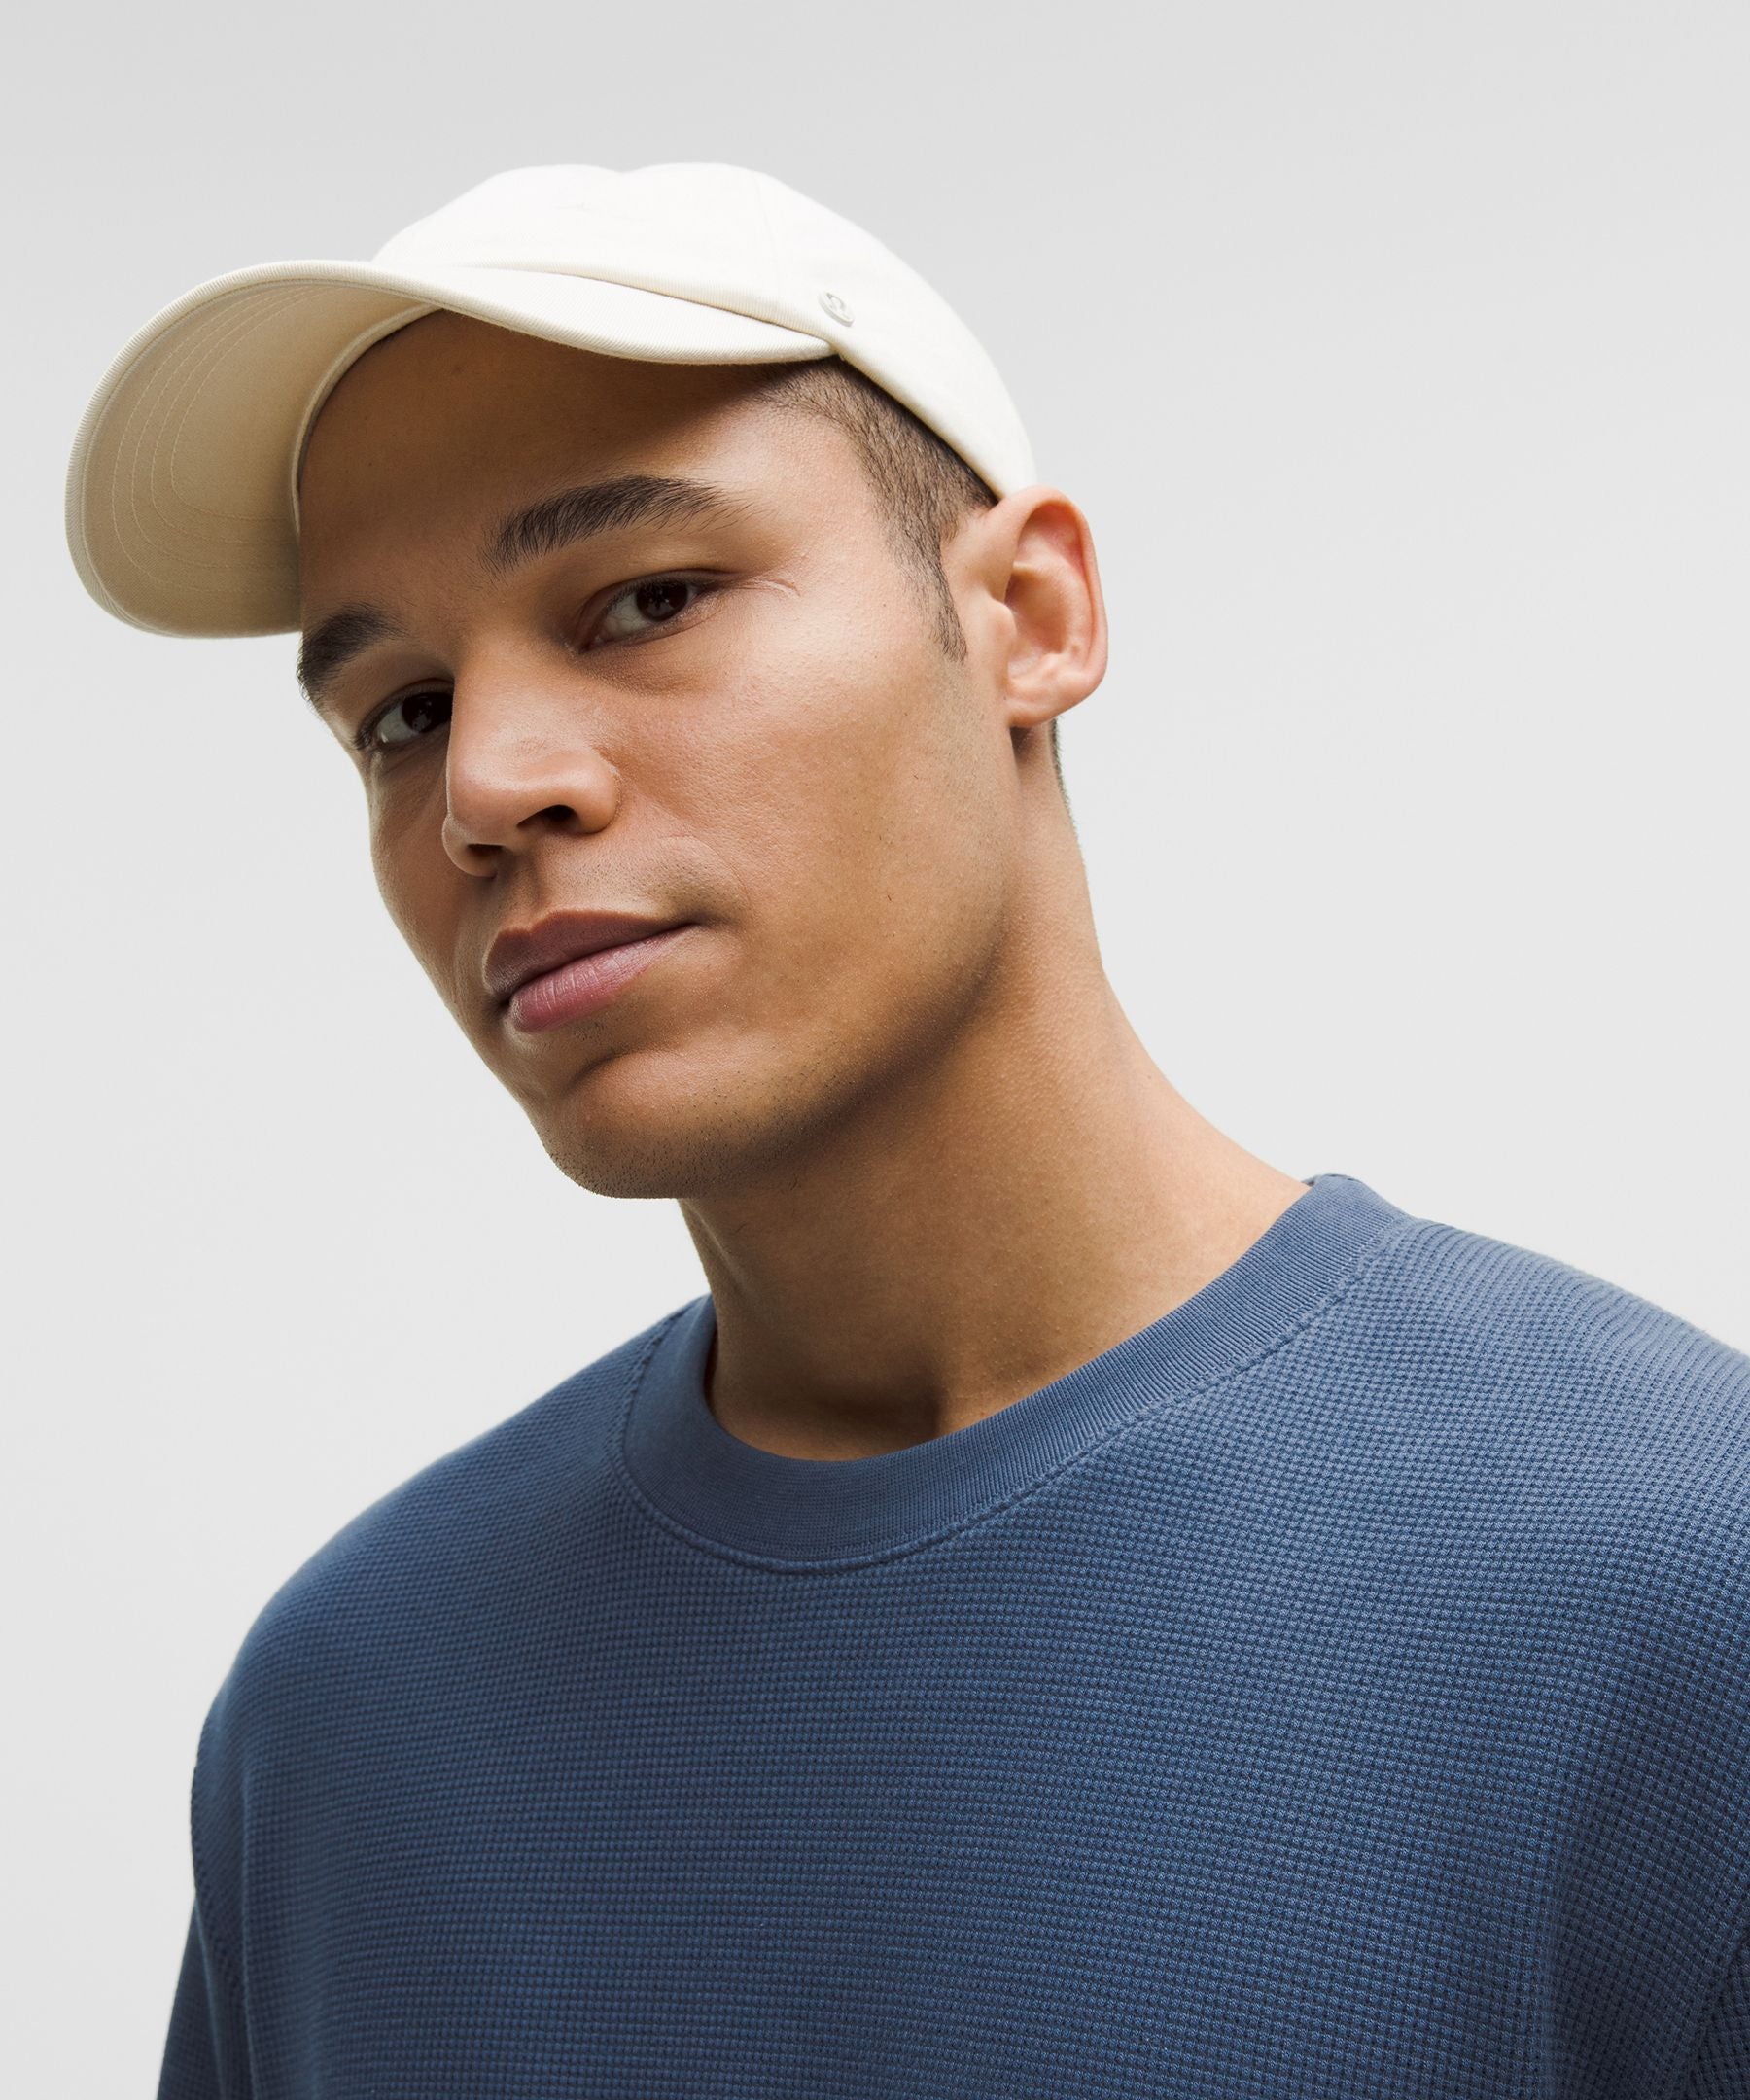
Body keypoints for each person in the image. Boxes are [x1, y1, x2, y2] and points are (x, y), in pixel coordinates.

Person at [68, 163, 1750, 2100]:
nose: (489, 787)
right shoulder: (349, 1719)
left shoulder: (1672, 1579)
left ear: (1028, 615)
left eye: (645, 600)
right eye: (401, 712)